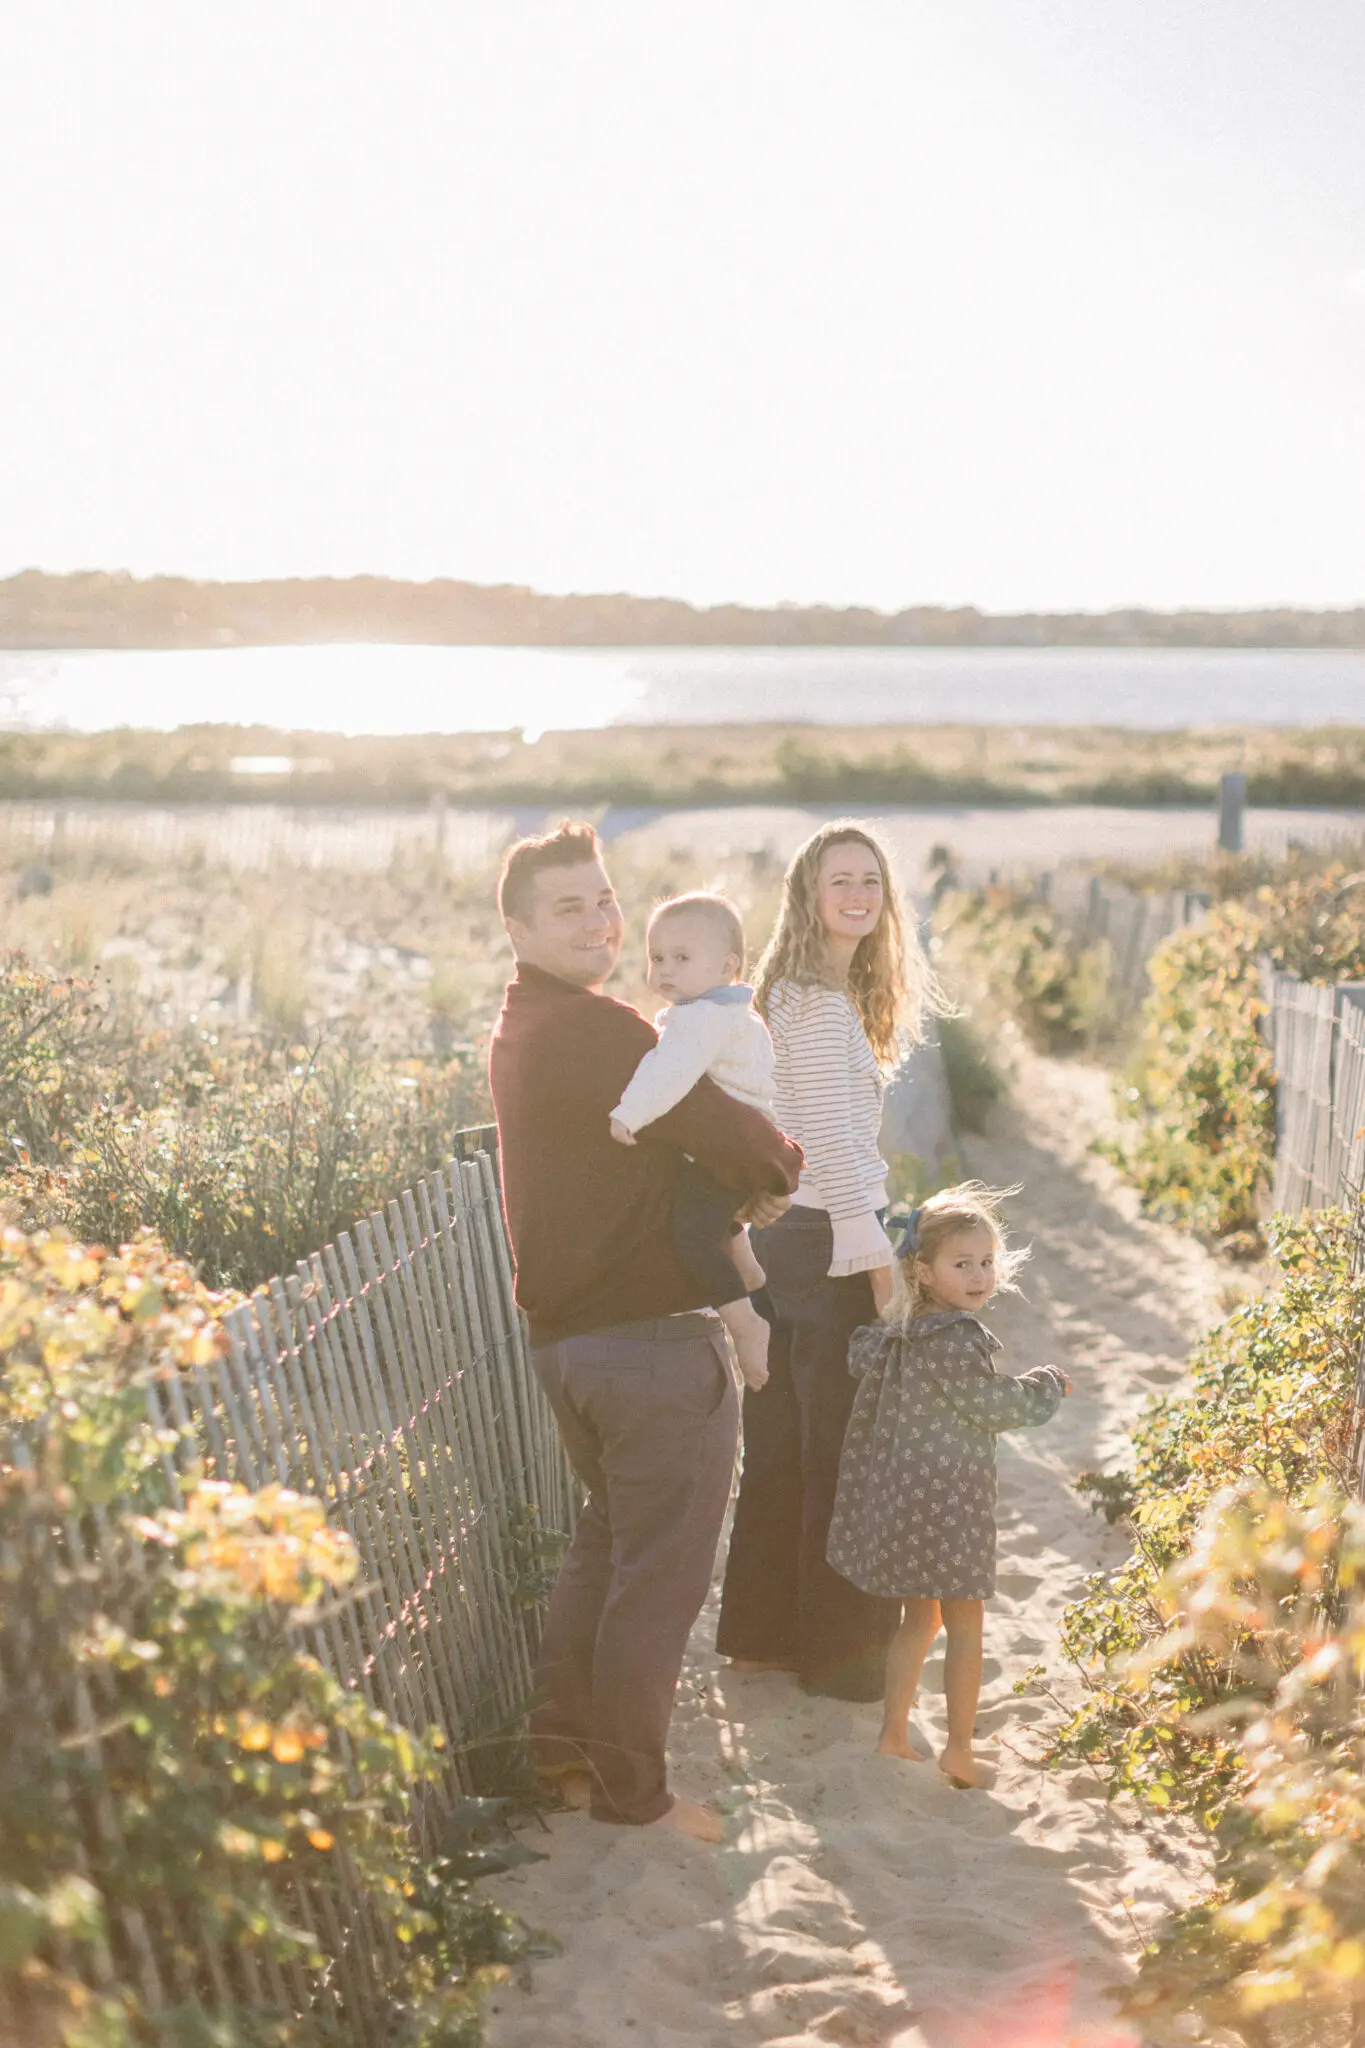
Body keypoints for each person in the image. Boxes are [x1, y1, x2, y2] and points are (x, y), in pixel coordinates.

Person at [487, 822, 802, 1843]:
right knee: (659, 1575)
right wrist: (776, 1172)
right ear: (519, 928)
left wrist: (735, 1179)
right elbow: (735, 1133)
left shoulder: (522, 1024)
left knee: (608, 1546)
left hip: (569, 1345)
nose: (598, 921)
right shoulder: (601, 1030)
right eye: (568, 907)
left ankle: (564, 1750)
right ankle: (636, 1792)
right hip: (650, 1345)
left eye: (604, 898)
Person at [715, 821, 945, 1700]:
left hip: (785, 1241)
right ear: (806, 896)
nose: (857, 895)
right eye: (838, 880)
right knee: (844, 1456)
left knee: (780, 1447)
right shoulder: (812, 1004)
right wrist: (877, 1263)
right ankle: (841, 1664)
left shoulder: (793, 993)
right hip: (825, 1241)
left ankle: (763, 1638)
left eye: (870, 881)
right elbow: (831, 1147)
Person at [827, 1183, 1070, 1785]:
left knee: (920, 1620)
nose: (979, 1276)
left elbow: (858, 1357)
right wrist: (1044, 1386)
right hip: (950, 1505)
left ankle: (893, 1735)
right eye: (962, 1264)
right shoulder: (957, 1337)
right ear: (924, 1272)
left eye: (987, 1261)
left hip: (905, 1501)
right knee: (965, 1625)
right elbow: (990, 1403)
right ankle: (959, 1749)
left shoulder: (898, 1333)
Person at [609, 892, 776, 1392]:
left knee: (692, 1236)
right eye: (657, 957)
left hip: (724, 1149)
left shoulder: (699, 1018)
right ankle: (744, 1260)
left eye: (682, 958)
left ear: (726, 966)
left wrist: (630, 1114)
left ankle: (745, 1323)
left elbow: (671, 1071)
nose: (665, 970)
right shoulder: (736, 1013)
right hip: (742, 1143)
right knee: (701, 1199)